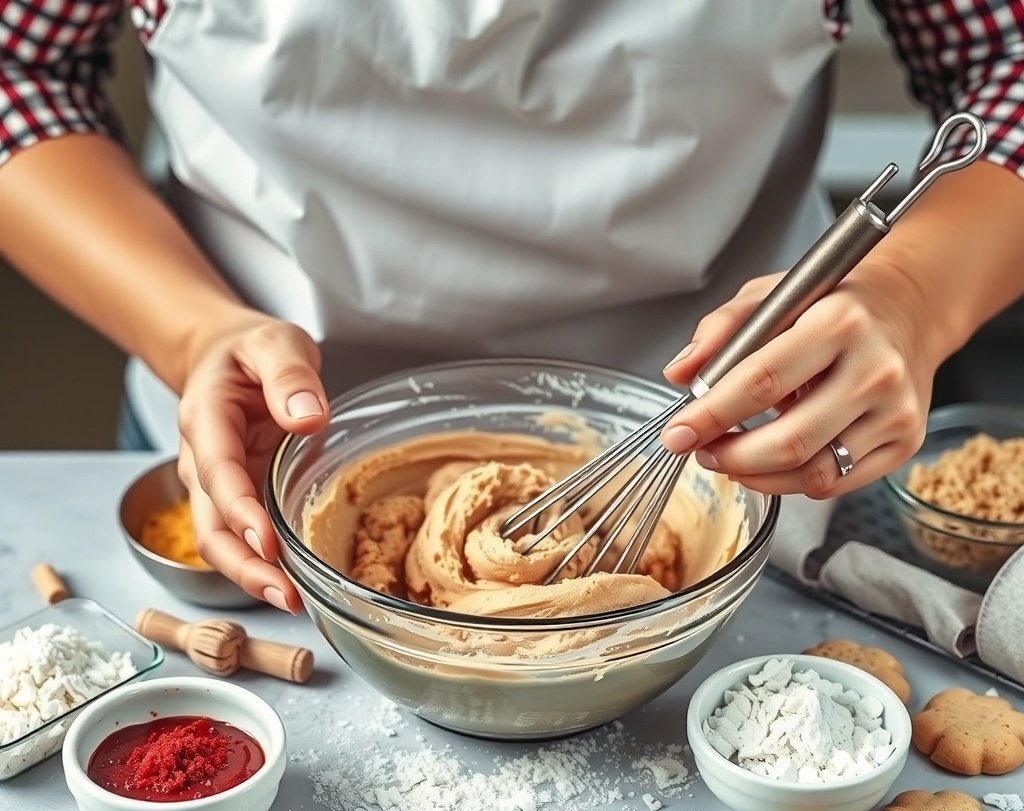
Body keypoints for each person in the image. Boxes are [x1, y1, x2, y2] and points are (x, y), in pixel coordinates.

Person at [1, 1, 1023, 614]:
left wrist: (914, 292)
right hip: (255, 448)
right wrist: (192, 330)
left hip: (740, 454)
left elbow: (1004, 63)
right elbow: (21, 67)